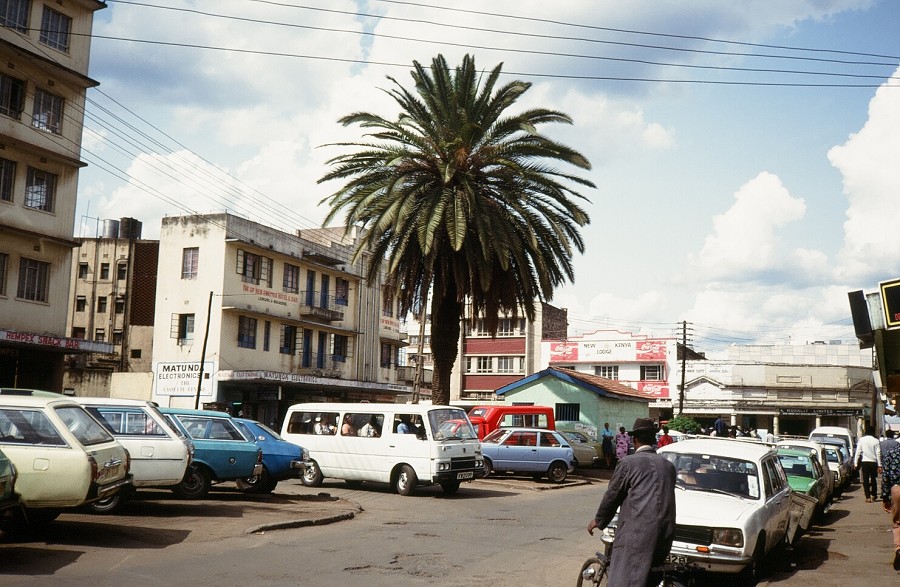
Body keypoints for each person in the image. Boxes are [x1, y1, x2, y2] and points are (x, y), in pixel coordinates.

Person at [587, 417, 676, 587]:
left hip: (638, 534)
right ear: (653, 439)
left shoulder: (628, 463)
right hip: (666, 533)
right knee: (649, 578)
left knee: (624, 578)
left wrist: (599, 521)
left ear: (634, 439)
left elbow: (612, 496)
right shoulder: (668, 466)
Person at [880, 442, 900, 570]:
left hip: (897, 490)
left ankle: (898, 547)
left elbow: (885, 477)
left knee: (898, 522)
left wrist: (885, 497)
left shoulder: (891, 453)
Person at [854, 426, 882, 503]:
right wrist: (880, 465)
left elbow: (858, 452)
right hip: (873, 462)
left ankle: (868, 497)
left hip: (865, 462)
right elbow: (878, 453)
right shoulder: (876, 441)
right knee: (873, 479)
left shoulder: (861, 440)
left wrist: (855, 463)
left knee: (865, 479)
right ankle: (874, 494)